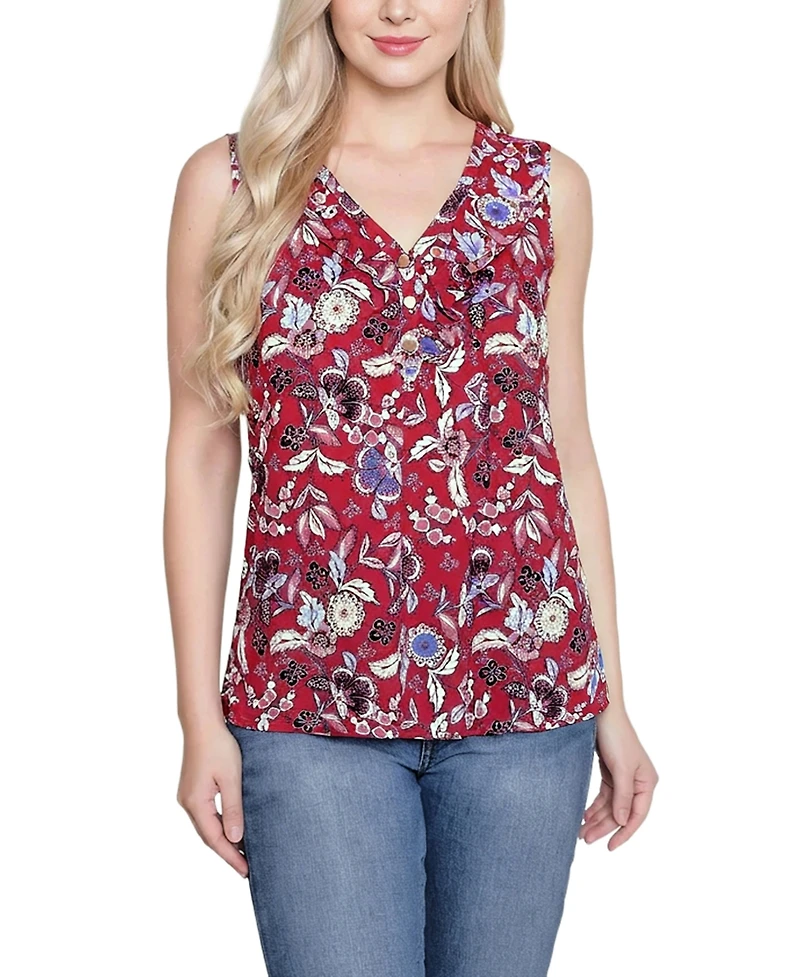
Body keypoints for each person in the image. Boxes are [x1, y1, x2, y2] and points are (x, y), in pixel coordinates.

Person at [165, 1, 659, 974]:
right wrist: (196, 718)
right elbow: (199, 450)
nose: (398, 8)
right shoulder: (235, 184)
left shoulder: (542, 188)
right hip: (307, 707)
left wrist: (611, 697)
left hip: (526, 703)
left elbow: (562, 449)